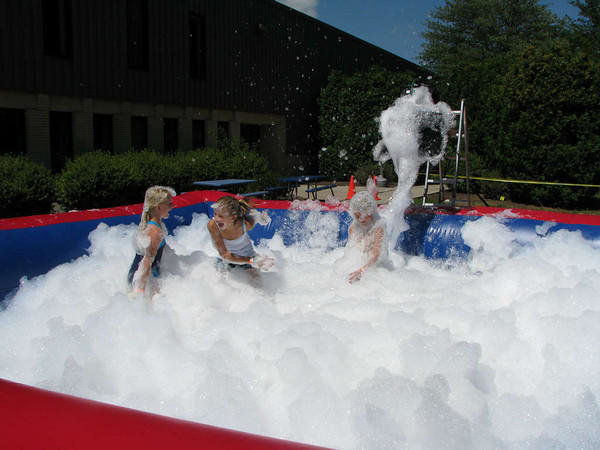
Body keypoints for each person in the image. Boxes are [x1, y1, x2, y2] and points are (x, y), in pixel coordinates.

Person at [128, 185, 175, 295]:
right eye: (169, 204)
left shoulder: (156, 225)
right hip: (143, 280)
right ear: (158, 207)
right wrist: (140, 291)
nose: (172, 206)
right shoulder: (154, 232)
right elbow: (146, 263)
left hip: (145, 276)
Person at [207, 195, 274, 271]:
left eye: (221, 216)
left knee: (257, 280)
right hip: (226, 261)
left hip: (246, 258)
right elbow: (224, 255)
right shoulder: (213, 225)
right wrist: (252, 261)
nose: (216, 219)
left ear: (233, 217)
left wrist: (263, 219)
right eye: (215, 214)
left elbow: (256, 218)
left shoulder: (245, 224)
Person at [345, 190, 388, 283]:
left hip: (374, 268)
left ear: (371, 212)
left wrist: (362, 270)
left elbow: (376, 255)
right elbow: (349, 251)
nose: (361, 218)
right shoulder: (353, 228)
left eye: (364, 215)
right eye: (357, 216)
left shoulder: (378, 228)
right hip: (355, 265)